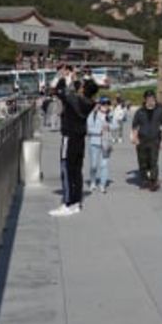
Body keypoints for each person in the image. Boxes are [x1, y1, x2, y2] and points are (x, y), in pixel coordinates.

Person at [51, 70, 98, 217]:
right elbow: (72, 93)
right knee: (77, 171)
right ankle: (76, 202)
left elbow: (58, 91)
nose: (80, 86)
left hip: (69, 138)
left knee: (67, 169)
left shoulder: (74, 100)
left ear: (83, 90)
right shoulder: (90, 103)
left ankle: (68, 203)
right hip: (80, 139)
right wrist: (74, 81)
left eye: (82, 85)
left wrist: (62, 77)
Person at [131, 90, 162, 191]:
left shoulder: (160, 111)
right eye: (149, 99)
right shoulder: (140, 112)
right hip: (142, 140)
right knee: (143, 161)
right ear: (145, 100)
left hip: (155, 140)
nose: (151, 101)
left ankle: (154, 181)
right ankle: (144, 180)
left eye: (153, 99)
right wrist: (134, 138)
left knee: (153, 161)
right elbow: (135, 126)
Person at [86, 96, 113, 193]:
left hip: (106, 143)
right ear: (99, 104)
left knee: (104, 165)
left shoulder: (110, 114)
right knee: (93, 165)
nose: (105, 106)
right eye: (103, 104)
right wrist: (100, 131)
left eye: (107, 104)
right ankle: (92, 182)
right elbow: (88, 129)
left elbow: (116, 126)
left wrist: (110, 125)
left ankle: (102, 184)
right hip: (94, 142)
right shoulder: (93, 114)